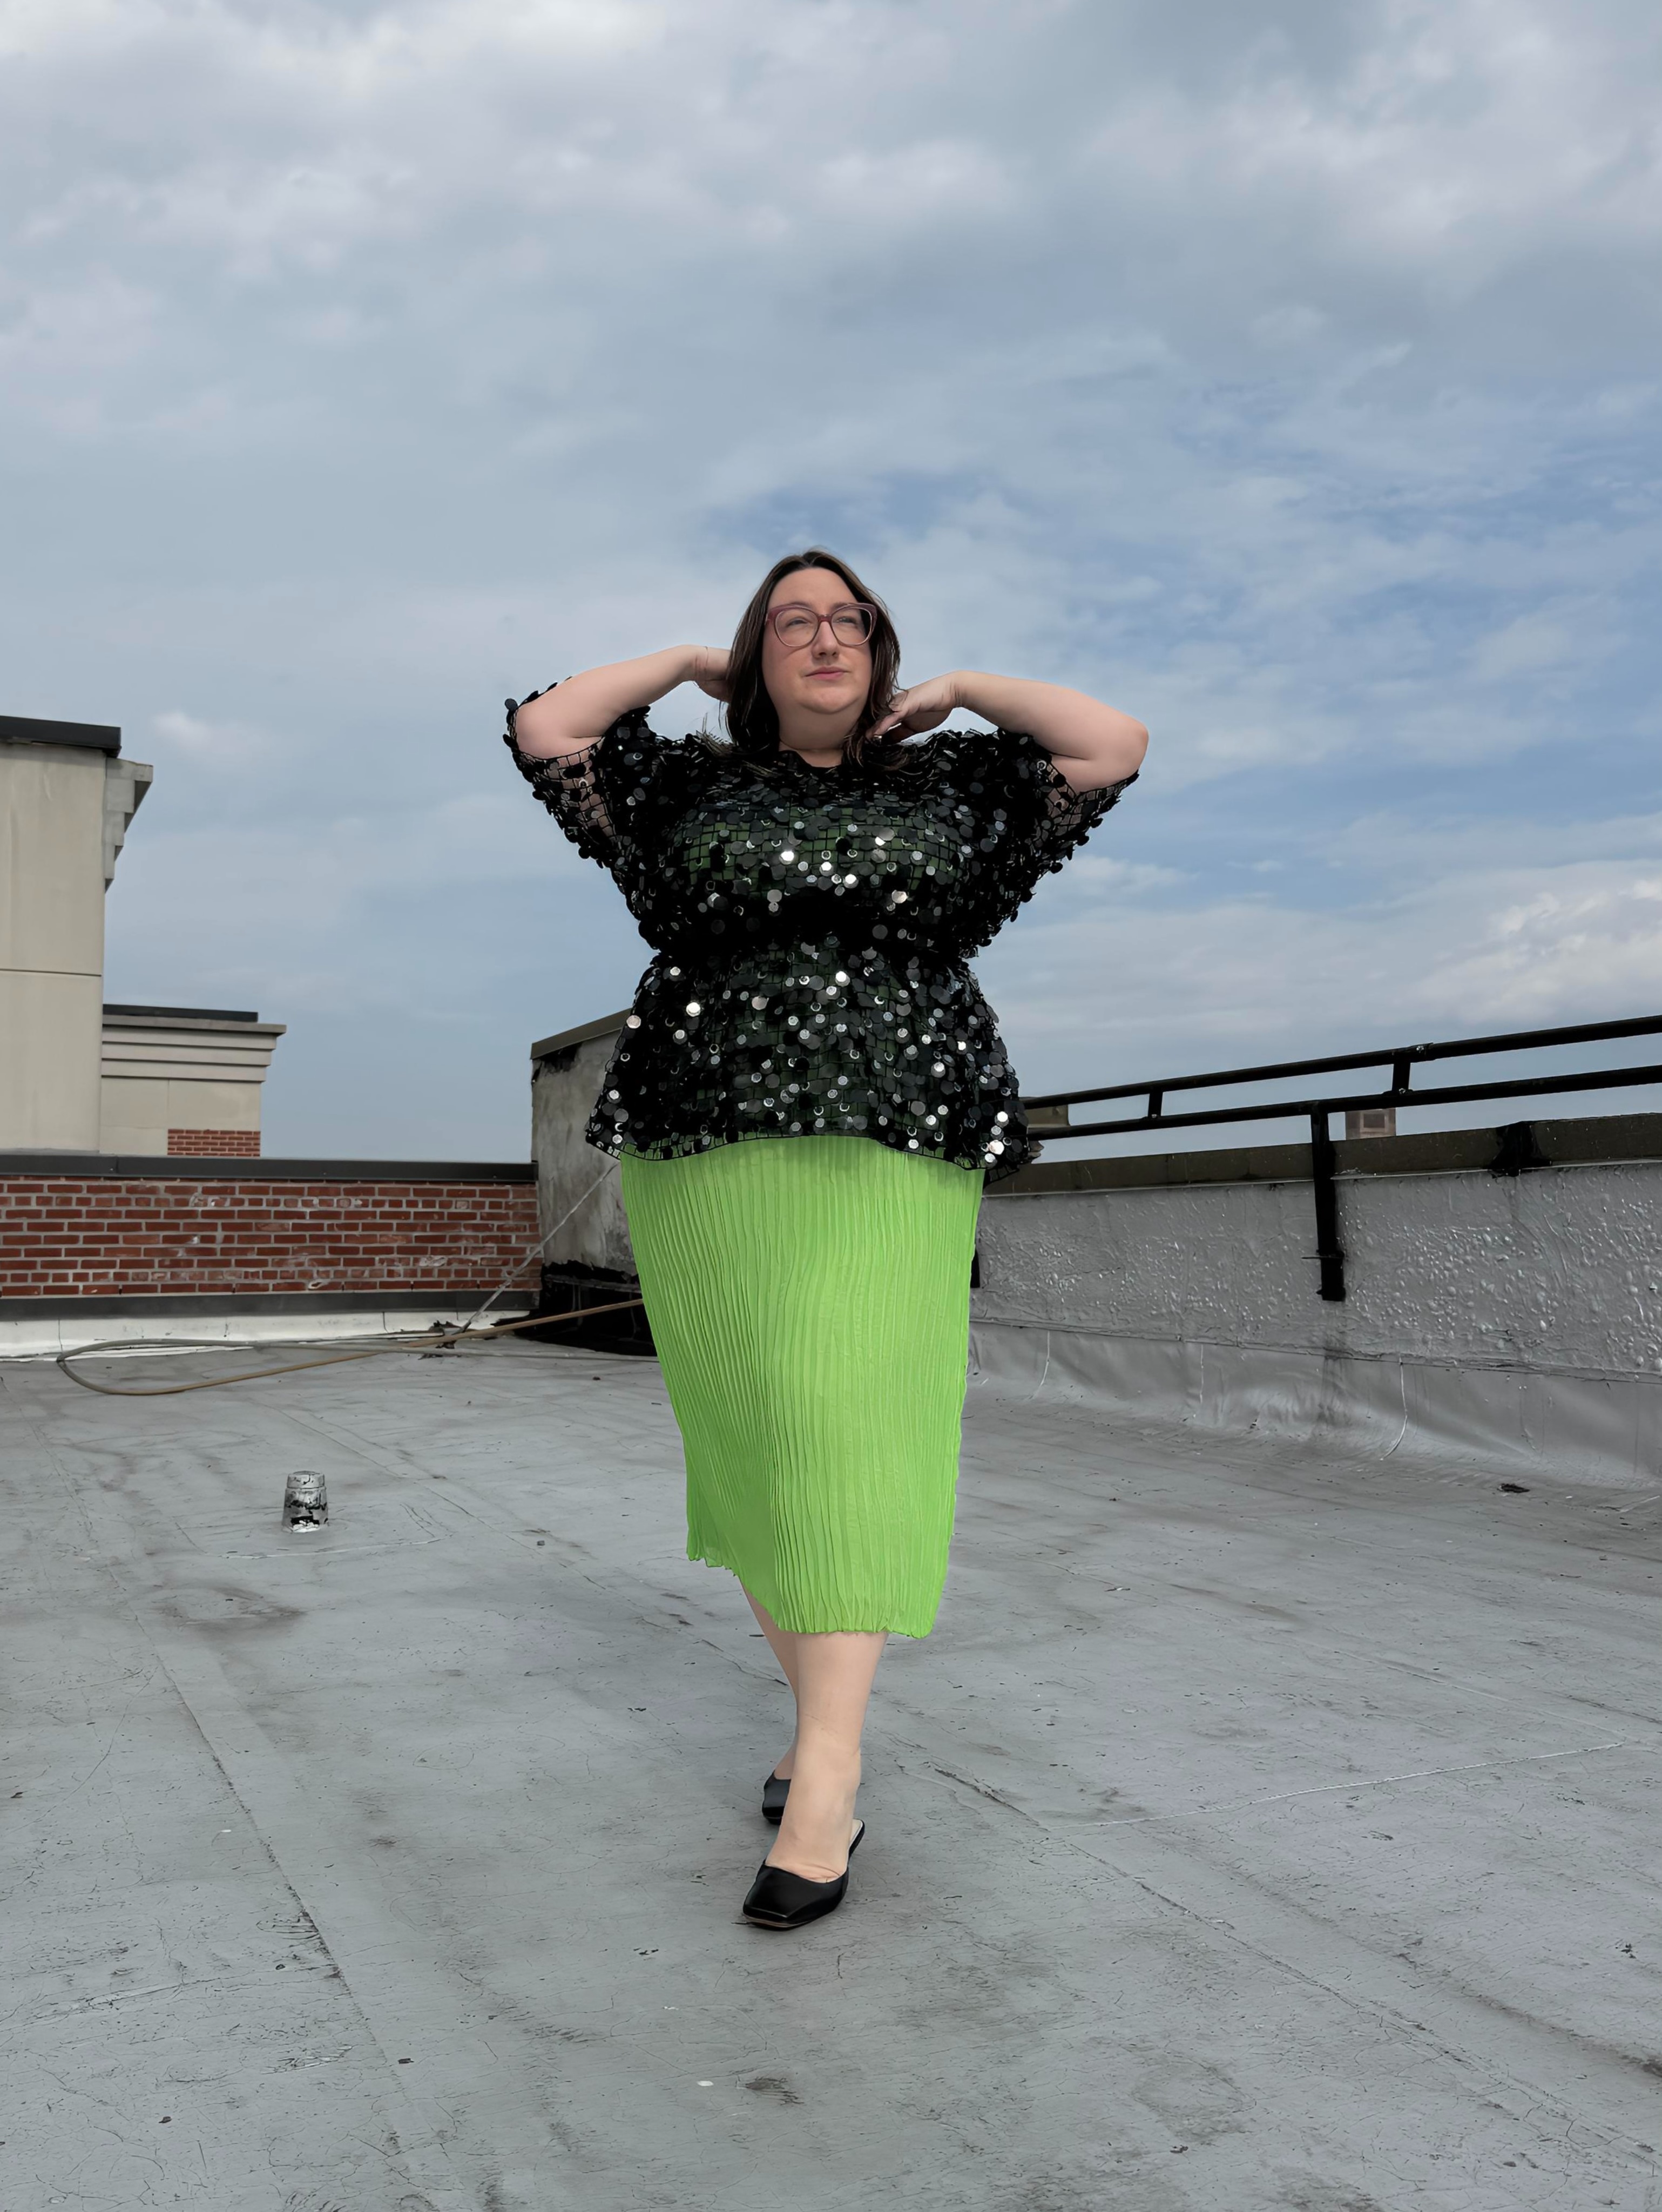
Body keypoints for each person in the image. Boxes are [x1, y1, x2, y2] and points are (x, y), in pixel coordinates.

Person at [505, 549, 1147, 1930]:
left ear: (880, 648)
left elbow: (1112, 742)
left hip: (894, 1133)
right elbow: (549, 728)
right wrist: (691, 660)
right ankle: (817, 1732)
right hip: (703, 1139)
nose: (823, 637)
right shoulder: (682, 784)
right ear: (759, 654)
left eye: (847, 618)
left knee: (847, 1427)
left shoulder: (958, 782)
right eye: (790, 621)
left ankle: (830, 1781)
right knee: (754, 1431)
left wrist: (964, 689)